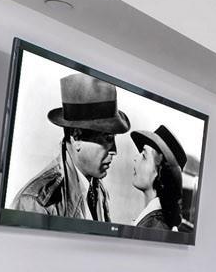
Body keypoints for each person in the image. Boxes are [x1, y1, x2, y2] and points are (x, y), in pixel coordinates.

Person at [12, 73, 129, 221]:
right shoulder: (37, 203)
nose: (114, 151)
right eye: (108, 138)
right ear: (77, 137)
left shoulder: (97, 189)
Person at [128, 123, 188, 231]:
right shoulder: (154, 221)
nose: (136, 158)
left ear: (160, 173)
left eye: (144, 155)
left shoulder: (154, 227)